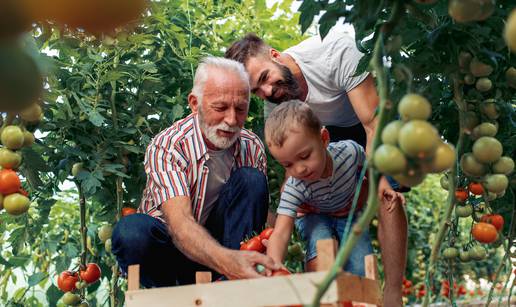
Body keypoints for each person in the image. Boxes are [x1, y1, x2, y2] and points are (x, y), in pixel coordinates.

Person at [225, 31, 408, 306]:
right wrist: (275, 234)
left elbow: (372, 126)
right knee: (312, 202)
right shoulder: (276, 106)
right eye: (256, 91)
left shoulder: (336, 52)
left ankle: (393, 292)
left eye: (264, 78)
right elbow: (292, 171)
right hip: (320, 134)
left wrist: (379, 182)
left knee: (387, 195)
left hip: (369, 116)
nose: (267, 92)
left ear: (275, 55)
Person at [111, 56, 279, 287]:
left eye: (241, 109)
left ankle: (233, 288)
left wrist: (283, 233)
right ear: (194, 103)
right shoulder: (169, 145)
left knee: (251, 179)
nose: (231, 120)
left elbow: (252, 212)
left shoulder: (251, 146)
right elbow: (180, 225)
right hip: (173, 253)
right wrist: (230, 261)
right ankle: (171, 296)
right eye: (220, 108)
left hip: (227, 253)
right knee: (132, 232)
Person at [264, 101, 403, 277]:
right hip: (312, 216)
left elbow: (370, 169)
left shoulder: (350, 153)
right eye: (287, 165)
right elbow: (281, 232)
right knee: (322, 247)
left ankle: (363, 302)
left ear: (324, 139)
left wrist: (384, 186)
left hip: (347, 212)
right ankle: (323, 299)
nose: (299, 169)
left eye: (305, 156)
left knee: (361, 265)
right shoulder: (295, 187)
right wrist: (273, 264)